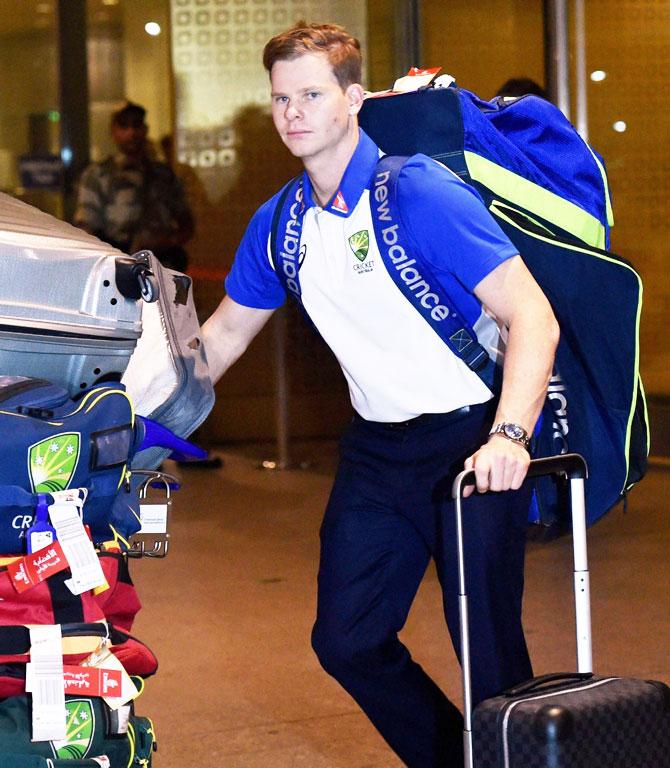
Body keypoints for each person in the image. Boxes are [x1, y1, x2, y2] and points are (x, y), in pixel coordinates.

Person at [202, 22, 559, 768]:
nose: (292, 112)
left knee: (489, 654)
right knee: (347, 639)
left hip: (469, 441)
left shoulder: (418, 192)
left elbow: (532, 315)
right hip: (376, 452)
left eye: (310, 94)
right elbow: (223, 338)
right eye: (279, 98)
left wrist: (511, 436)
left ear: (353, 99)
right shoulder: (282, 223)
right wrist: (119, 413)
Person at [74, 102, 195, 272]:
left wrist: (166, 242)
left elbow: (186, 223)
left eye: (136, 125)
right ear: (114, 131)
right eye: (124, 126)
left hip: (161, 264)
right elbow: (86, 227)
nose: (131, 133)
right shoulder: (98, 175)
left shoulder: (163, 174)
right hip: (118, 264)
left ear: (145, 129)